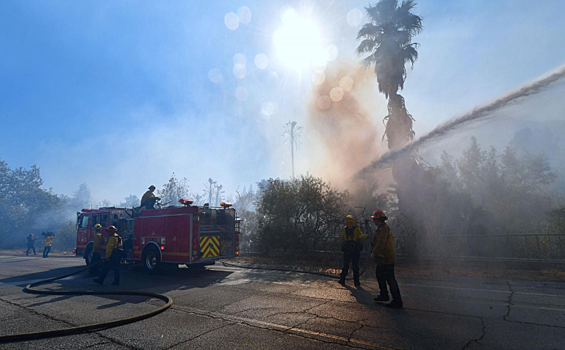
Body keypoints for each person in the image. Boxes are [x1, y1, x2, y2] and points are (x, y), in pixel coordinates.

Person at [371, 210, 403, 309]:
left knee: (390, 279)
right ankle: (384, 295)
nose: (374, 221)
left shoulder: (383, 229)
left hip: (387, 259)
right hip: (382, 259)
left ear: (380, 219)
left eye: (375, 219)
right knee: (380, 275)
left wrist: (374, 253)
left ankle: (397, 301)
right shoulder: (381, 228)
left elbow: (381, 243)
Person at [338, 215, 368, 287]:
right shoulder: (357, 229)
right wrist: (367, 235)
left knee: (346, 265)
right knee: (355, 265)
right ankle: (356, 282)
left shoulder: (344, 229)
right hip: (355, 249)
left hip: (347, 248)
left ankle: (342, 280)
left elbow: (343, 237)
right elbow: (361, 237)